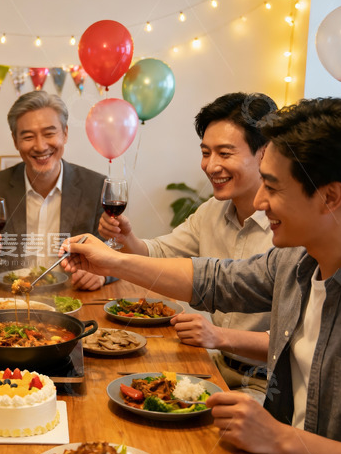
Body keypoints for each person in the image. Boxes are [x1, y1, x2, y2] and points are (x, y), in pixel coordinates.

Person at [61, 98, 341, 454]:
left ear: (330, 197)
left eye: (272, 187)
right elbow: (216, 280)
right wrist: (113, 260)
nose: (259, 201)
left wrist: (278, 439)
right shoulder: (299, 259)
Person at [99, 92, 275, 399]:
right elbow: (161, 254)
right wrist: (128, 240)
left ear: (265, 152)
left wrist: (218, 336)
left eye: (225, 153)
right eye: (206, 153)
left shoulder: (288, 228)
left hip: (268, 382)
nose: (211, 166)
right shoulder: (212, 211)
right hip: (218, 363)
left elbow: (297, 340)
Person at [0, 90, 108, 290]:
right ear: (15, 141)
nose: (41, 146)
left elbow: (116, 254)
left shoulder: (94, 186)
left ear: (65, 133)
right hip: (5, 302)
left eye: (49, 134)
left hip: (71, 299)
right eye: (28, 137)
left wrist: (102, 276)